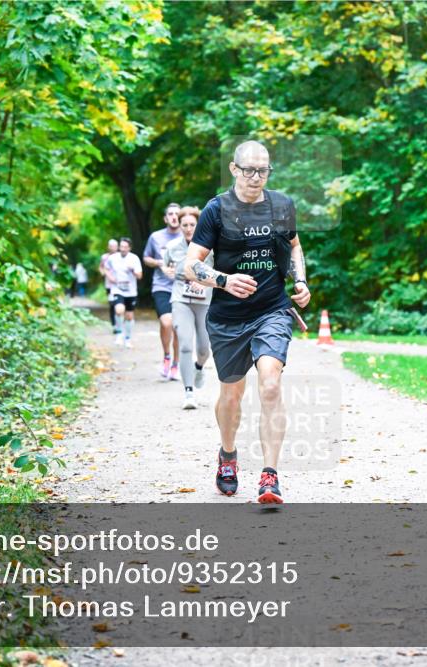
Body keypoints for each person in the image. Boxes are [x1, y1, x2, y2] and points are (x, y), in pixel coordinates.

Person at [183, 140, 311, 504]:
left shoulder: (282, 205)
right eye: (250, 170)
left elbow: (294, 245)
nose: (257, 177)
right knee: (231, 395)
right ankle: (227, 454)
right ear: (234, 170)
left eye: (264, 170)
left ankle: (270, 477)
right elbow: (190, 266)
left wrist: (299, 280)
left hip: (271, 310)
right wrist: (224, 280)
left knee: (270, 383)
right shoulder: (215, 210)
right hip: (226, 318)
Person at [161, 206, 213, 409]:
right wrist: (168, 272)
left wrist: (205, 280)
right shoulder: (173, 247)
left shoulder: (210, 246)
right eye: (185, 225)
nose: (189, 228)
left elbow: (219, 270)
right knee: (184, 345)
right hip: (181, 299)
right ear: (180, 226)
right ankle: (188, 393)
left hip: (204, 301)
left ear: (198, 225)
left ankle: (199, 366)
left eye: (192, 225)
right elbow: (166, 266)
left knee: (203, 349)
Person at [143, 203, 183, 380]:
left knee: (178, 328)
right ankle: (167, 356)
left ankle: (176, 364)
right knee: (166, 323)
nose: (174, 216)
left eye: (177, 214)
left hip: (183, 287)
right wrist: (161, 264)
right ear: (166, 218)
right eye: (171, 214)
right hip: (162, 286)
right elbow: (146, 258)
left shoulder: (188, 235)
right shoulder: (156, 237)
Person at [106, 238, 143, 349]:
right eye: (121, 246)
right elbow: (106, 268)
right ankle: (119, 333)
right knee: (119, 310)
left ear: (129, 248)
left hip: (131, 291)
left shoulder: (134, 258)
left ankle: (128, 338)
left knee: (129, 316)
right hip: (117, 289)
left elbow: (140, 276)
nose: (122, 249)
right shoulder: (112, 258)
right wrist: (110, 277)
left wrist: (133, 270)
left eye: (125, 247)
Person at [99, 239, 120, 334]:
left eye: (115, 246)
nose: (113, 248)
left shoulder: (121, 256)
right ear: (108, 247)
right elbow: (101, 267)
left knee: (120, 304)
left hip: (120, 284)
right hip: (109, 285)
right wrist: (103, 273)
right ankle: (114, 325)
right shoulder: (104, 257)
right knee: (112, 305)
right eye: (111, 246)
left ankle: (120, 324)